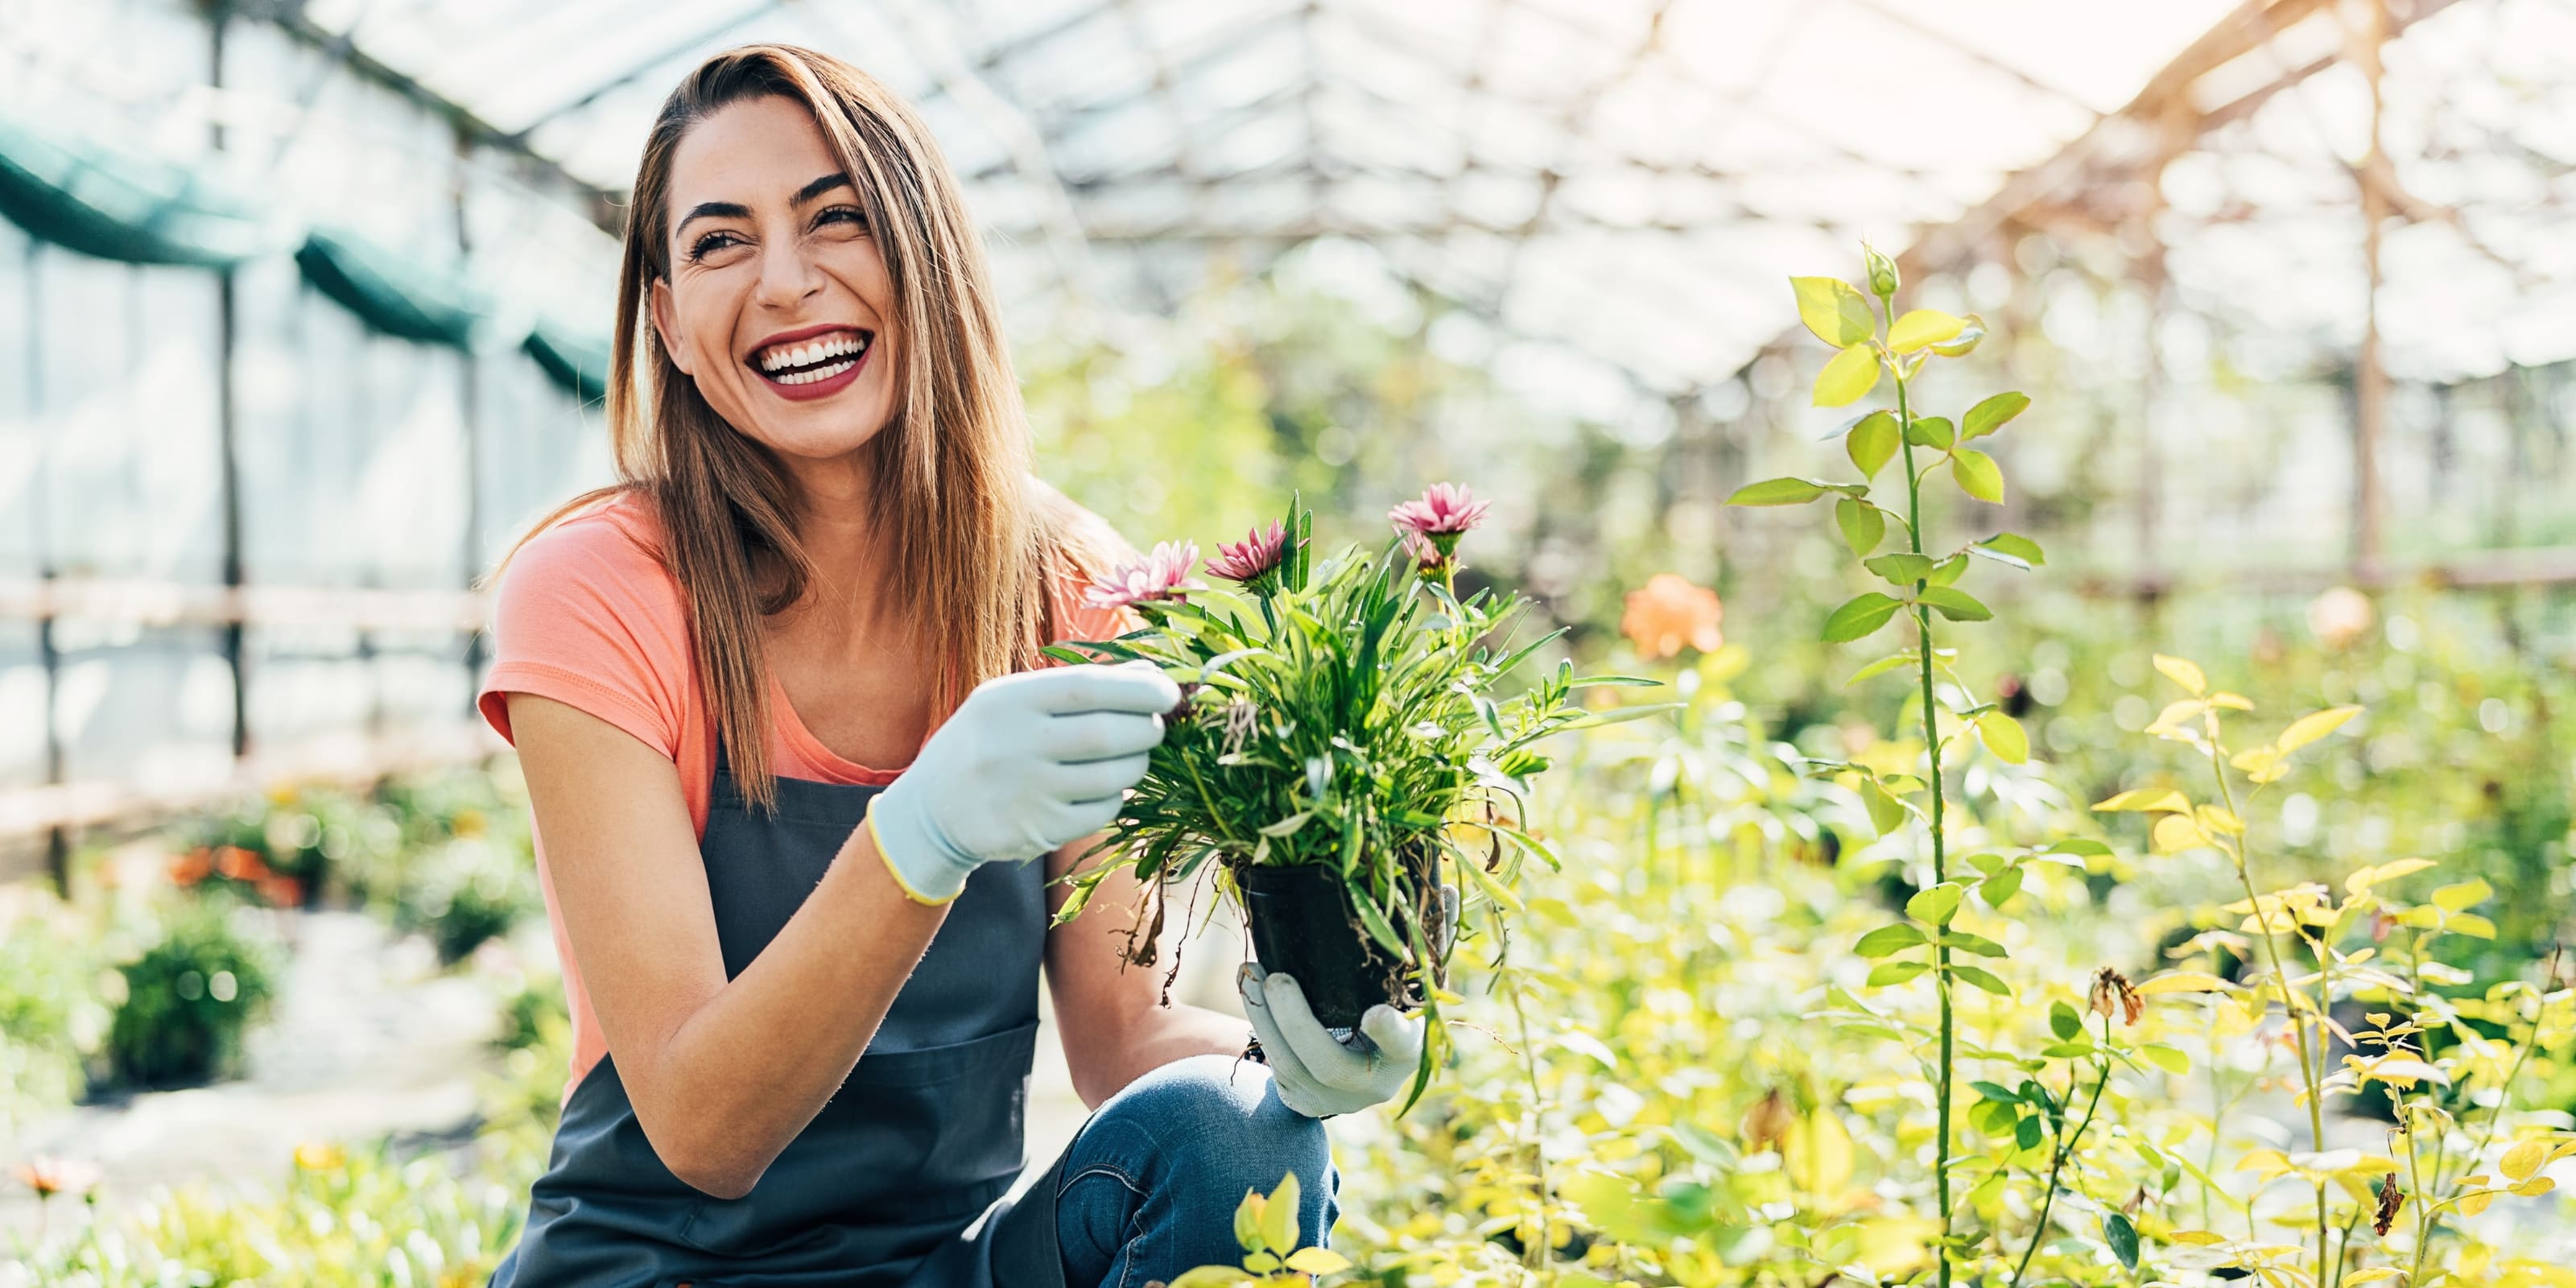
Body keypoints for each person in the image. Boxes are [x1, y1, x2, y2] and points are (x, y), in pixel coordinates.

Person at [474, 43, 1425, 1288]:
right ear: (668, 320)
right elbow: (704, 1133)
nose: (786, 283)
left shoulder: (1074, 590)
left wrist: (1294, 1060)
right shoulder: (601, 590)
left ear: (926, 253)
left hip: (942, 1270)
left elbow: (1123, 1033)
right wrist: (919, 832)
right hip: (647, 1270)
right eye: (719, 244)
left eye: (840, 221)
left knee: (1228, 1136)